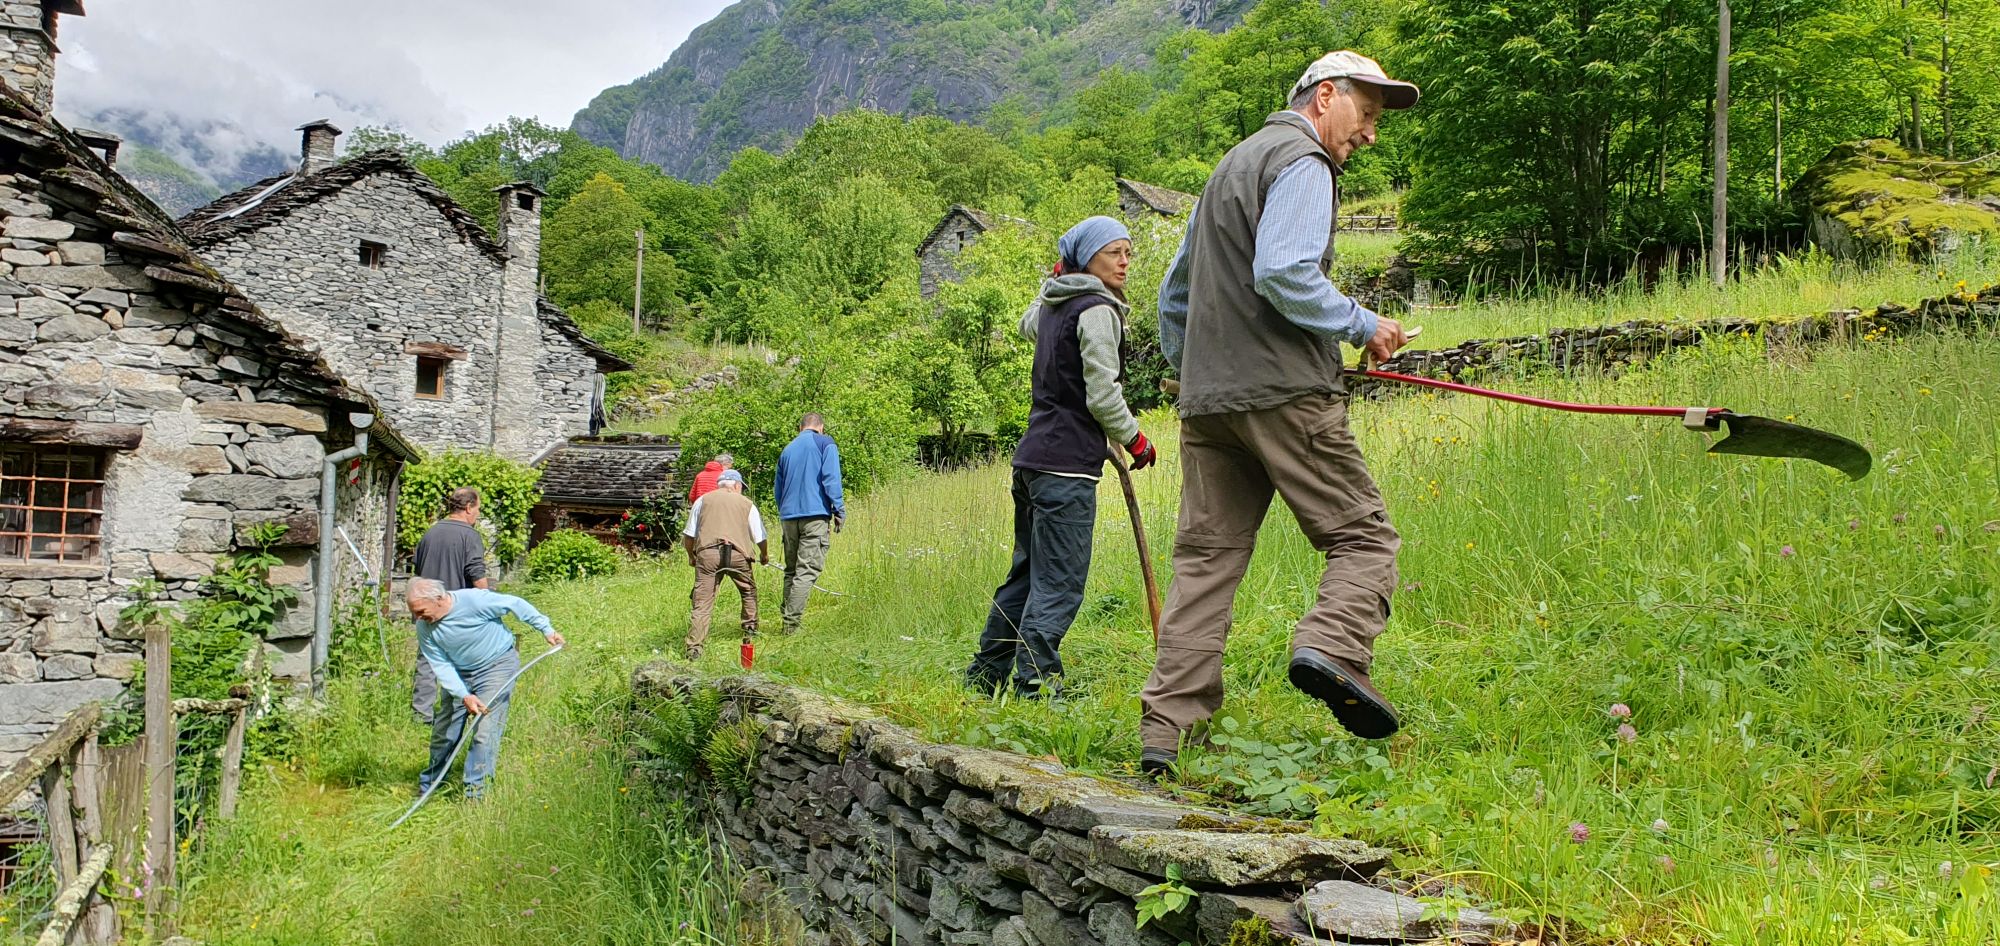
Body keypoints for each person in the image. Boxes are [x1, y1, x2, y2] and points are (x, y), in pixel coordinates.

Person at [1140, 51, 1420, 777]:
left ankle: (1169, 734)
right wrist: (1363, 324)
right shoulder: (1303, 161)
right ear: (1325, 96)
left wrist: (1203, 371)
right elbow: (1283, 271)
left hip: (1209, 404)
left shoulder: (1229, 167)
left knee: (1206, 563)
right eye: (1367, 114)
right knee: (1363, 538)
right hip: (1286, 394)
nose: (1371, 134)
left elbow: (1174, 298)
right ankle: (1334, 646)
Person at [965, 216, 1157, 698]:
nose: (1125, 262)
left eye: (1128, 252)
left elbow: (1027, 323)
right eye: (1114, 252)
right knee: (1059, 583)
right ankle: (1037, 685)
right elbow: (1103, 395)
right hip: (1066, 470)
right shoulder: (1097, 309)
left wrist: (1052, 280)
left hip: (1032, 463)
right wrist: (1136, 440)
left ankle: (985, 676)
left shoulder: (1055, 305)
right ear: (1087, 258)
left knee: (1026, 577)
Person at [405, 578, 565, 799]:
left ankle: (476, 793)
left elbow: (515, 604)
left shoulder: (474, 601)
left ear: (439, 599)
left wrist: (546, 629)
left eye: (421, 611)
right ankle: (431, 784)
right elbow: (440, 664)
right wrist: (463, 695)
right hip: (459, 673)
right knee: (445, 733)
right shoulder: (424, 627)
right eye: (414, 613)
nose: (418, 617)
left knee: (484, 731)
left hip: (496, 666)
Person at [409, 486, 489, 724]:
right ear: (468, 507)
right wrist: (487, 603)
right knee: (461, 663)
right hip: (455, 609)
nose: (478, 515)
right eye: (478, 509)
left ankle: (421, 714)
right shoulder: (469, 535)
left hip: (427, 610)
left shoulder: (430, 533)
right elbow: (476, 573)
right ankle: (454, 714)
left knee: (428, 660)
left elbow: (418, 570)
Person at [680, 469, 768, 660]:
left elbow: (689, 535)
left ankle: (694, 647)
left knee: (702, 602)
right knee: (748, 590)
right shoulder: (746, 503)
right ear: (736, 485)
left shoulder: (702, 501)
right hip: (738, 555)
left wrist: (691, 556)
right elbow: (759, 536)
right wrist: (764, 555)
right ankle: (750, 628)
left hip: (708, 555)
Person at [773, 413, 844, 634]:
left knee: (791, 570)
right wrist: (838, 509)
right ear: (821, 427)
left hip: (788, 516)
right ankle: (791, 626)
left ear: (800, 427)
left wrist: (785, 510)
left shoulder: (787, 449)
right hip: (814, 515)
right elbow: (831, 478)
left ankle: (787, 619)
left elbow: (778, 489)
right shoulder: (825, 443)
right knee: (806, 571)